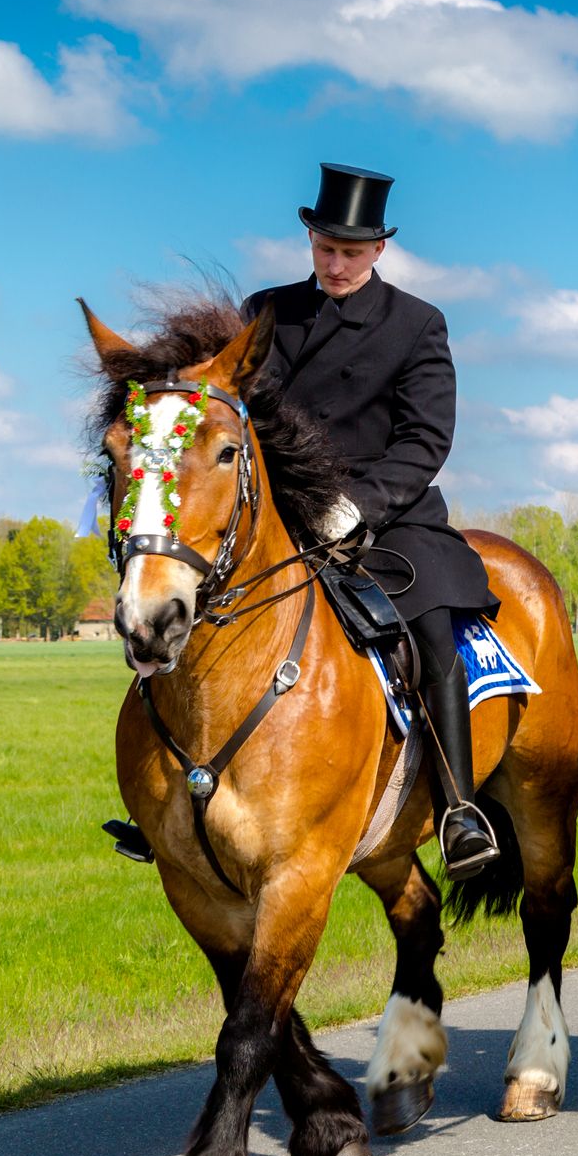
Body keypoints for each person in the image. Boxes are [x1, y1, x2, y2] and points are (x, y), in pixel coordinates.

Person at [243, 163, 500, 880]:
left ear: (380, 250)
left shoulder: (417, 323)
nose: (335, 264)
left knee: (430, 622)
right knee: (182, 605)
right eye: (325, 248)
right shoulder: (265, 310)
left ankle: (457, 809)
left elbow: (426, 439)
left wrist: (356, 505)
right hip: (284, 513)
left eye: (351, 253)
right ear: (309, 238)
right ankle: (167, 800)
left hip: (385, 515)